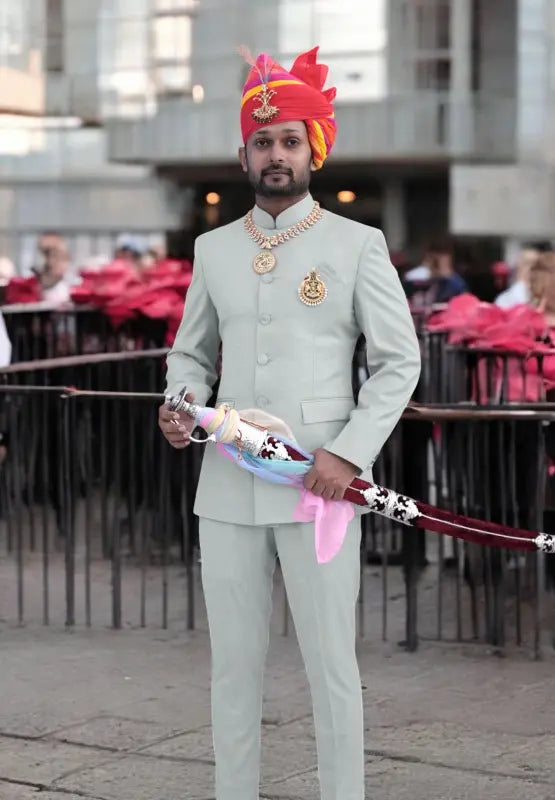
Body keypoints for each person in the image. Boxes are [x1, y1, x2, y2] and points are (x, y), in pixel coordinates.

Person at [159, 46, 420, 800]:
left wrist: (348, 455)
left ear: (314, 151)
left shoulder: (355, 245)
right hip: (226, 489)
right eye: (262, 142)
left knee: (329, 667)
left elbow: (398, 364)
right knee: (231, 669)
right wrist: (179, 407)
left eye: (288, 142)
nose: (275, 155)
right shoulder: (211, 249)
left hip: (319, 487)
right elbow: (189, 355)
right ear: (242, 154)